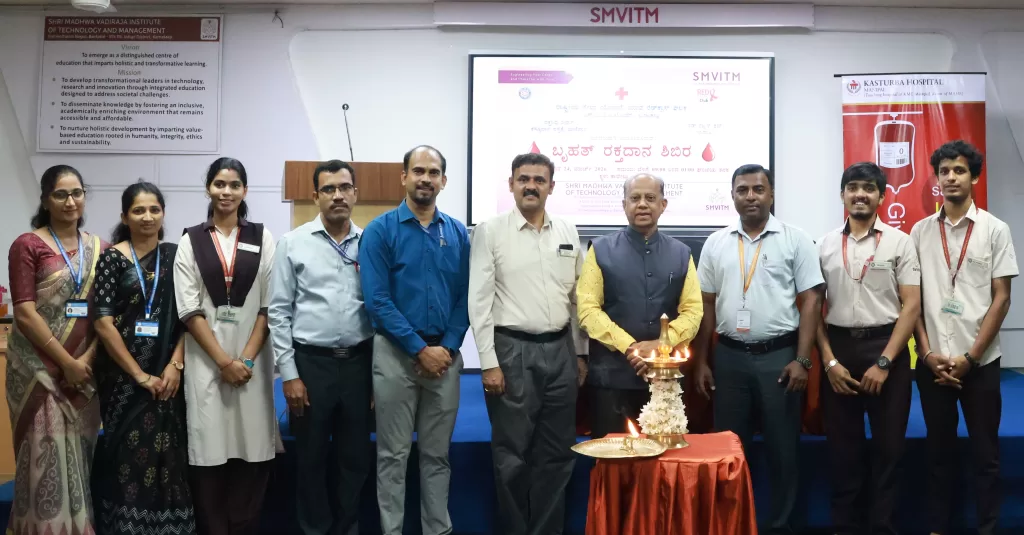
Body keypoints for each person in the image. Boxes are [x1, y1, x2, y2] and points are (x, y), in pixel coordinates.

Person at [692, 164, 824, 535]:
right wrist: (701, 361)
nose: (751, 196)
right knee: (729, 449)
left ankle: (781, 525)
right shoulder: (716, 242)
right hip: (729, 358)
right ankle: (730, 525)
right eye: (743, 190)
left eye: (758, 189)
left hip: (779, 358)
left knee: (783, 449)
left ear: (772, 194)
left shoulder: (795, 239)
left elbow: (812, 300)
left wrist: (802, 360)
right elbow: (706, 304)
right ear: (732, 195)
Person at [468, 153, 588, 535]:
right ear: (511, 184)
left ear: (551, 186)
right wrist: (488, 361)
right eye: (523, 179)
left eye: (539, 180)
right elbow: (479, 301)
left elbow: (578, 299)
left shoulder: (568, 230)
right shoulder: (490, 231)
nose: (531, 186)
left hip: (561, 351)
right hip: (511, 352)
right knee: (512, 457)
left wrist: (580, 352)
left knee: (558, 454)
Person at [359, 145, 470, 535]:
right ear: (404, 177)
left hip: (445, 358)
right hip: (395, 355)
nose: (426, 178)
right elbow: (377, 301)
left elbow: (466, 296)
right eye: (418, 171)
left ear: (444, 181)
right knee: (393, 455)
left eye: (433, 172)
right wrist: (419, 349)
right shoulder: (380, 231)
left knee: (437, 456)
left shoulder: (457, 233)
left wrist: (447, 347)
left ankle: (437, 530)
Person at [911, 140, 1017, 535]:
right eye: (944, 171)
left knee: (986, 455)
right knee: (938, 454)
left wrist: (970, 358)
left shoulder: (995, 230)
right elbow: (913, 301)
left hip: (980, 363)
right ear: (936, 179)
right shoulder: (919, 232)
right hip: (934, 364)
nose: (951, 177)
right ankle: (939, 526)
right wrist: (926, 355)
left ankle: (987, 527)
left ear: (974, 177)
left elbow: (1002, 298)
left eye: (959, 170)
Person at [173, 157, 278, 535]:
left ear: (245, 190)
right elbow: (188, 309)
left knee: (253, 450)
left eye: (234, 185)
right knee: (209, 452)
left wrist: (244, 360)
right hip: (206, 364)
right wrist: (224, 362)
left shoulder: (262, 237)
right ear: (208, 189)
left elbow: (269, 305)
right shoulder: (191, 240)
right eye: (219, 184)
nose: (226, 191)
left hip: (252, 365)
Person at [268, 160, 374, 535]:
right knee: (310, 459)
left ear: (355, 194)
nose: (337, 195)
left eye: (344, 188)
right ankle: (314, 529)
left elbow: (379, 309)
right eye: (329, 189)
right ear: (315, 196)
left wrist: (377, 376)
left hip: (359, 364)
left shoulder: (370, 243)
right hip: (311, 365)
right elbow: (278, 312)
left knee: (355, 459)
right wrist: (289, 375)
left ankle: (347, 528)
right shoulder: (293, 243)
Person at [815, 162, 920, 535]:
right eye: (853, 187)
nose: (860, 194)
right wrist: (829, 362)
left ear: (882, 196)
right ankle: (845, 526)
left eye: (869, 188)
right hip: (839, 349)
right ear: (842, 194)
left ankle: (882, 526)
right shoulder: (824, 245)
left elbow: (911, 305)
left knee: (889, 449)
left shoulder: (900, 242)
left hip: (886, 347)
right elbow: (813, 309)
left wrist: (885, 362)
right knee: (843, 450)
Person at [6, 165, 105, 535]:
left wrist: (85, 361)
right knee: (41, 459)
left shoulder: (100, 249)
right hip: (38, 371)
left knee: (80, 458)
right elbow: (25, 313)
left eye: (77, 192)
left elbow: (106, 315)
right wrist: (66, 363)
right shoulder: (28, 245)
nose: (70, 201)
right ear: (46, 200)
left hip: (85, 372)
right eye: (60, 194)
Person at [92, 181, 195, 535]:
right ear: (124, 217)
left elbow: (190, 316)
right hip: (123, 380)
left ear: (163, 214)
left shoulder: (177, 255)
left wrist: (176, 365)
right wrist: (138, 375)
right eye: (138, 210)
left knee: (170, 456)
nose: (147, 216)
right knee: (128, 458)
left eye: (154, 209)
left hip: (168, 376)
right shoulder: (112, 258)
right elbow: (102, 322)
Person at [576, 173, 702, 438]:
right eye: (635, 198)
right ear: (624, 205)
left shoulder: (682, 253)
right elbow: (588, 310)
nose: (642, 204)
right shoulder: (600, 250)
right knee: (612, 457)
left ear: (663, 205)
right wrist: (631, 347)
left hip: (665, 379)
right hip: (611, 379)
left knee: (663, 457)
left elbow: (693, 310)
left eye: (650, 198)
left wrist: (660, 346)